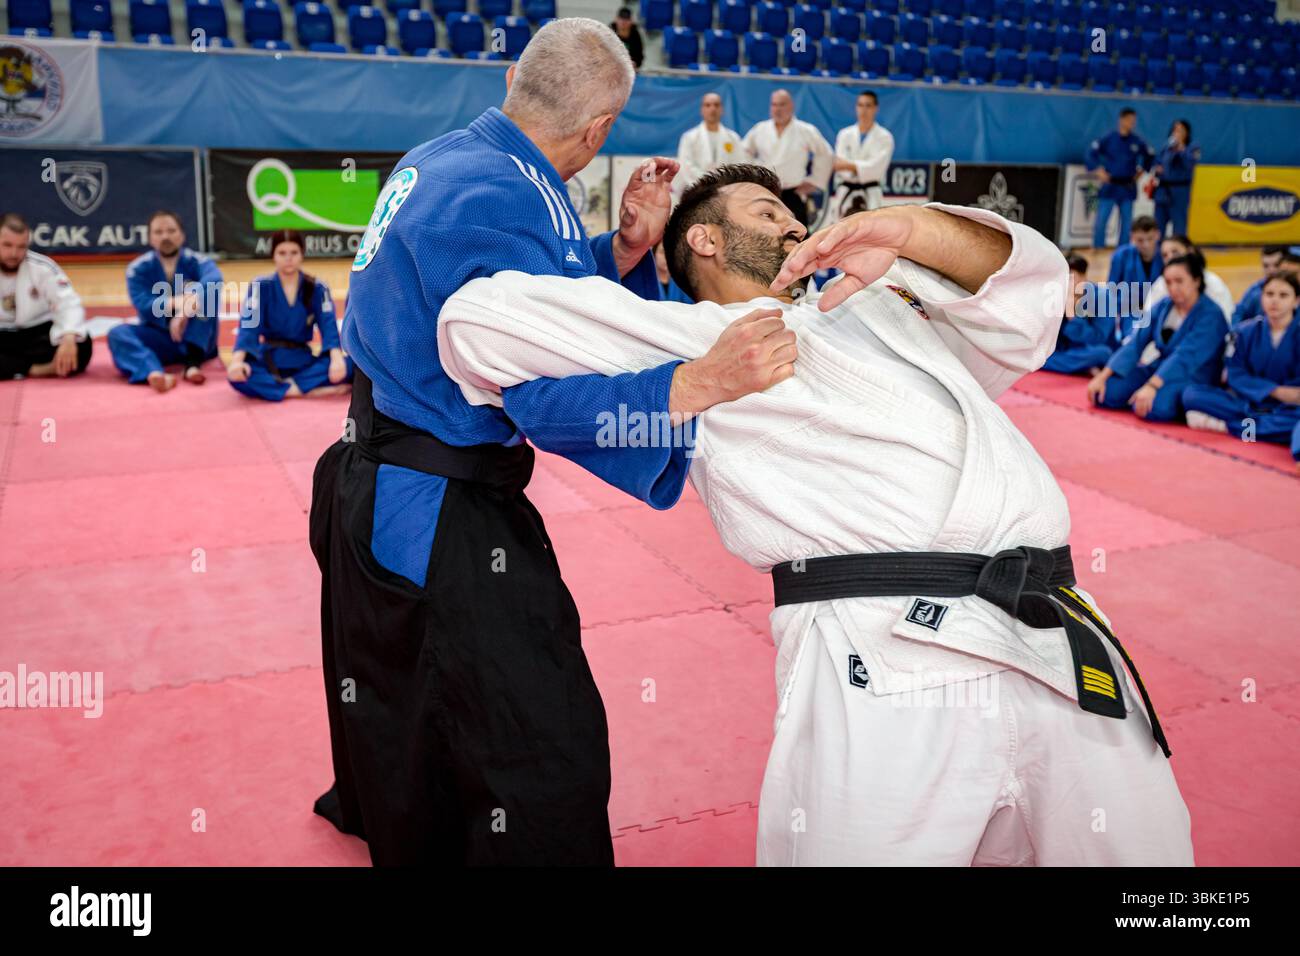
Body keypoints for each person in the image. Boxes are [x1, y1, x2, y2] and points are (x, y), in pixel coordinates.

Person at [437, 164, 1192, 866]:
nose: (795, 227)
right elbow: (473, 325)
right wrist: (691, 383)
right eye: (768, 213)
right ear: (704, 239)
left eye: (797, 215)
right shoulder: (688, 335)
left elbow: (1030, 299)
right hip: (883, 656)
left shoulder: (886, 314)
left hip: (1055, 640)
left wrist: (908, 235)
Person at [310, 20, 789, 867]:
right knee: (539, 727)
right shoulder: (505, 197)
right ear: (601, 129)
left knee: (399, 682)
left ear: (512, 79)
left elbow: (544, 302)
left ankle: (403, 823)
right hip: (432, 497)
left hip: (369, 473)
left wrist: (625, 249)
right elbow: (541, 393)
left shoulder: (449, 157)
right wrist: (686, 389)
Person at [1088, 254, 1228, 422]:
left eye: (1179, 281)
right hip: (1160, 367)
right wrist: (1103, 376)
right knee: (1103, 393)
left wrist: (1151, 386)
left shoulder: (1211, 315)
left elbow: (1185, 357)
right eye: (1168, 282)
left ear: (1196, 280)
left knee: (1152, 406)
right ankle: (1140, 395)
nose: (1173, 287)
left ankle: (1171, 402)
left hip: (1195, 375)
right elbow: (1136, 342)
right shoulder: (1163, 306)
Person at [1183, 272, 1300, 469]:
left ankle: (1228, 426)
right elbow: (1235, 373)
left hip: (1287, 409)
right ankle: (1260, 429)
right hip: (1249, 401)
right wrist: (1274, 391)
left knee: (1294, 422)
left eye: (1283, 295)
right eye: (1269, 294)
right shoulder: (1244, 331)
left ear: (1296, 301)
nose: (1275, 301)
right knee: (1191, 395)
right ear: (1261, 297)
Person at [227, 230, 352, 400]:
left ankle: (280, 389)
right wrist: (237, 361)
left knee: (352, 367)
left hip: (303, 360)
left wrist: (337, 360)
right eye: (282, 253)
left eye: (294, 253)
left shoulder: (317, 288)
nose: (288, 258)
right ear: (273, 255)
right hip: (270, 359)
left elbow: (328, 327)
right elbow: (249, 327)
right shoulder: (260, 286)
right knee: (238, 376)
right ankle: (303, 390)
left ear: (302, 254)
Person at [109, 210, 222, 392]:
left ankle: (192, 365)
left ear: (182, 235)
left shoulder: (198, 261)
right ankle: (153, 372)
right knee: (118, 334)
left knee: (208, 300)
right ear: (150, 238)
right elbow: (144, 304)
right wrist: (179, 303)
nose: (165, 237)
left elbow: (214, 280)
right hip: (161, 338)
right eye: (159, 232)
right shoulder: (138, 269)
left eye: (171, 231)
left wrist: (188, 308)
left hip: (197, 337)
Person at [0, 212, 92, 380]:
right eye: (7, 245)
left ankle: (15, 368)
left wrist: (69, 336)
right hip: (2, 334)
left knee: (83, 345)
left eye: (21, 247)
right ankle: (36, 369)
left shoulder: (42, 267)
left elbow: (68, 303)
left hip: (36, 334)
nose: (14, 253)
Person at [741, 89, 834, 228]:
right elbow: (742, 152)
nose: (777, 109)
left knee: (797, 239)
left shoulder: (805, 130)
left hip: (793, 193)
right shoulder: (760, 129)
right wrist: (754, 177)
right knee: (763, 238)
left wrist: (815, 181)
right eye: (774, 105)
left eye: (782, 104)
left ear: (791, 106)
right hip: (766, 192)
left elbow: (826, 154)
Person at [1086, 107, 1154, 249]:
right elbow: (1091, 153)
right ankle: (1098, 248)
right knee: (1101, 221)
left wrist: (1142, 171)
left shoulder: (1137, 141)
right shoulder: (1109, 139)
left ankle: (1123, 250)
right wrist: (1098, 170)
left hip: (1127, 186)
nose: (1132, 123)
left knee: (1127, 223)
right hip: (1110, 185)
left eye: (1134, 121)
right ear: (1121, 120)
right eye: (1129, 120)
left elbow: (1150, 156)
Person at [825, 90, 895, 224]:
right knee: (840, 233)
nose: (864, 110)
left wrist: (850, 165)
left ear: (876, 108)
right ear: (856, 108)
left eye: (868, 106)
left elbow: (877, 168)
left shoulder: (885, 137)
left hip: (871, 193)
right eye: (860, 105)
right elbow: (839, 165)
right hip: (846, 190)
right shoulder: (845, 134)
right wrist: (860, 166)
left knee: (872, 233)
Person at [1139, 235, 1234, 327]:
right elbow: (1146, 320)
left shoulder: (1213, 283)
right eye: (1165, 255)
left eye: (1175, 252)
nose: (1170, 258)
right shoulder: (1160, 283)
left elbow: (1226, 320)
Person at [1042, 255, 1113, 375]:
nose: (1065, 283)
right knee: (1037, 351)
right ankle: (1083, 367)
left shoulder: (1102, 297)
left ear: (1083, 277)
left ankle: (1047, 363)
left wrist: (1073, 316)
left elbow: (1099, 338)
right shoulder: (1057, 294)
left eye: (1070, 278)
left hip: (1090, 349)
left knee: (1103, 353)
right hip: (1066, 351)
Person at [674, 92, 743, 198]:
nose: (712, 109)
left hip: (726, 192)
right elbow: (686, 167)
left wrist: (723, 184)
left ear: (722, 109)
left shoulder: (733, 138)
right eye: (708, 105)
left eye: (716, 105)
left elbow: (739, 164)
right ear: (702, 110)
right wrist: (708, 182)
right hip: (697, 191)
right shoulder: (689, 137)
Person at [1105, 215, 1162, 341]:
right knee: (1132, 339)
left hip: (1159, 312)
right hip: (1130, 311)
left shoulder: (1166, 256)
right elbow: (1111, 290)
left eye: (1150, 239)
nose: (1146, 245)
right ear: (1132, 237)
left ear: (1158, 235)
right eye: (1140, 240)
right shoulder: (1121, 256)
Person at [1150, 119, 1199, 238]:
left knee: (1179, 226)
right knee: (1158, 224)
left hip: (1180, 191)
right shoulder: (1166, 148)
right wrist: (1157, 168)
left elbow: (1190, 165)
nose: (1176, 133)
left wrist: (1181, 149)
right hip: (1163, 190)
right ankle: (1157, 251)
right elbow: (1156, 163)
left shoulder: (1192, 148)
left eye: (1180, 130)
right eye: (1175, 130)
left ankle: (1178, 251)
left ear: (1186, 133)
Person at [1231, 246, 1299, 327]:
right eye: (1266, 266)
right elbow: (1238, 318)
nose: (1271, 271)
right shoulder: (1255, 292)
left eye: (1276, 265)